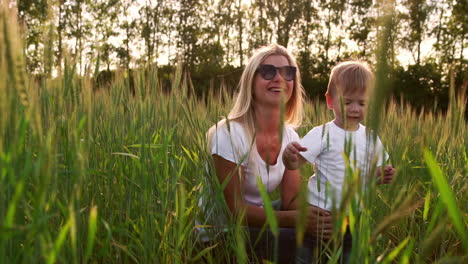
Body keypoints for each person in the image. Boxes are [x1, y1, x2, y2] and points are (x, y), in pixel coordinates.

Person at [204, 44, 332, 263]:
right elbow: (236, 212)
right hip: (221, 236)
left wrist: (322, 214)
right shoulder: (228, 133)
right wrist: (299, 220)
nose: (279, 79)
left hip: (257, 223)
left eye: (288, 72)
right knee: (298, 238)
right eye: (268, 71)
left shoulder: (290, 137)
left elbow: (290, 200)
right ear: (251, 82)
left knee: (327, 230)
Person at [282, 60, 396, 263]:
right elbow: (294, 163)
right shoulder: (322, 133)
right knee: (308, 257)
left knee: (348, 257)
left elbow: (374, 175)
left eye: (362, 103)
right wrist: (289, 156)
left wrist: (384, 174)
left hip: (353, 217)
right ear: (330, 101)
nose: (354, 109)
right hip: (320, 217)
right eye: (347, 102)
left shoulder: (371, 137)